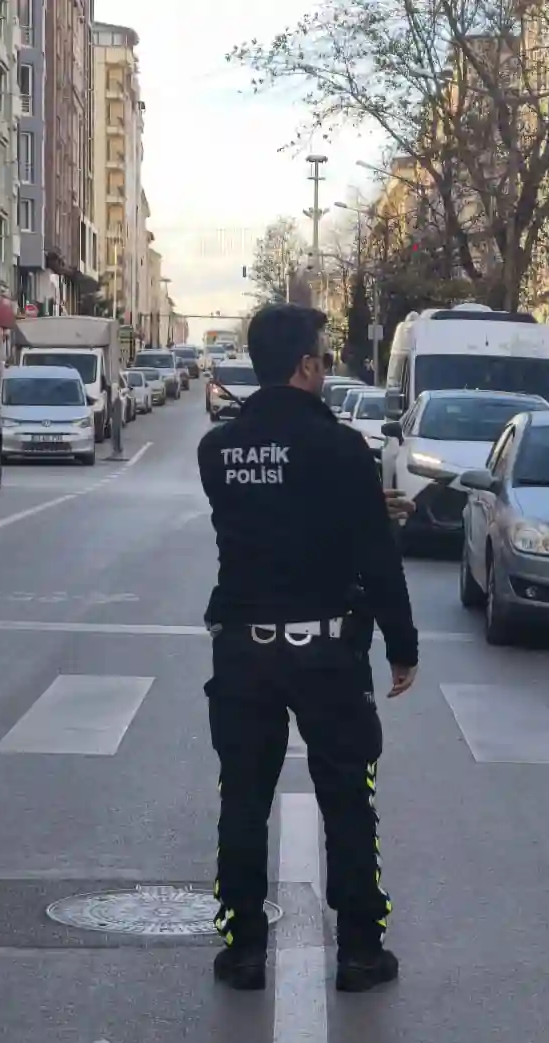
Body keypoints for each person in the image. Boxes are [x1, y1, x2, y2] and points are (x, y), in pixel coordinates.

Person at [198, 304, 419, 994]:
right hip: (326, 652)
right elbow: (373, 556)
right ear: (305, 365)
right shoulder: (340, 450)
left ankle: (241, 951)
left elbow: (265, 518)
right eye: (321, 356)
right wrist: (402, 646)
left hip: (242, 650)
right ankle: (358, 950)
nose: (325, 366)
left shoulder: (219, 451)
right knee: (349, 800)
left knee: (242, 800)